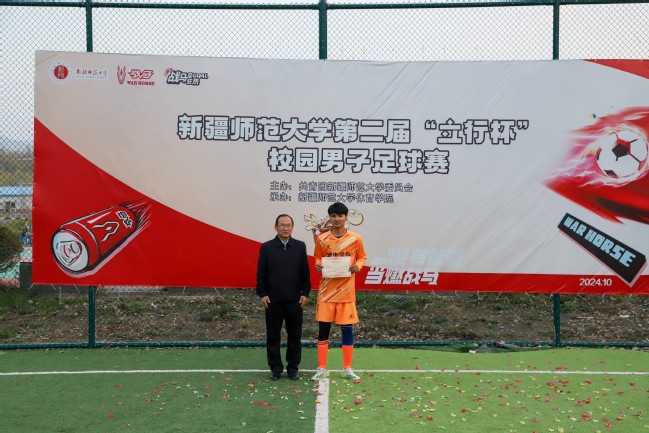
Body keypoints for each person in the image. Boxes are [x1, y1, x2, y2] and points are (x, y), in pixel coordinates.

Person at [311, 202, 367, 381]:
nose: (337, 219)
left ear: (346, 217)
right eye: (333, 216)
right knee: (323, 331)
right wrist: (318, 264)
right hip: (326, 293)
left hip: (346, 293)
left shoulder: (355, 238)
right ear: (329, 218)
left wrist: (358, 266)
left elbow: (362, 256)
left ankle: (347, 368)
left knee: (347, 331)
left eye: (340, 216)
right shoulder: (322, 239)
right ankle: (321, 367)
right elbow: (318, 257)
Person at [256, 214, 311, 381]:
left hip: (295, 300)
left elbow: (305, 273)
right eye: (282, 225)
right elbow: (261, 273)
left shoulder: (300, 246)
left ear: (292, 227)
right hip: (273, 301)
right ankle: (276, 369)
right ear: (276, 227)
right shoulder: (267, 247)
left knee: (295, 336)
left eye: (288, 225)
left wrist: (305, 293)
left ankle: (293, 369)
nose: (285, 228)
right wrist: (263, 294)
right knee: (273, 337)